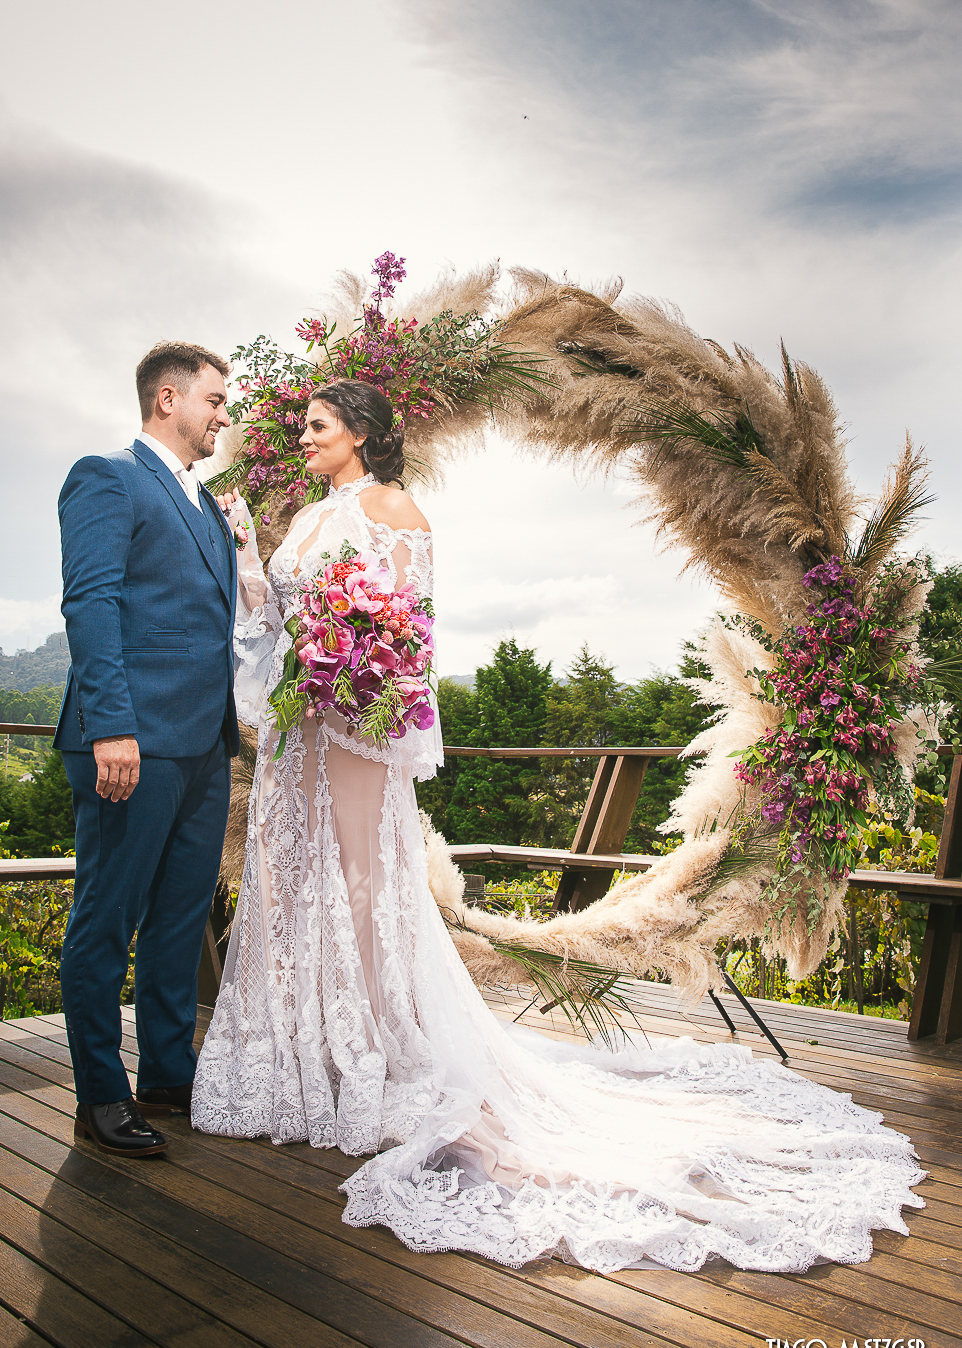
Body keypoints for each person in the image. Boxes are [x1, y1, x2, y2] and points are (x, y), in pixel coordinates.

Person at [193, 380, 923, 1275]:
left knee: (361, 885)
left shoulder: (399, 512)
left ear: (362, 434)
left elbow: (410, 635)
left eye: (316, 426)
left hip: (352, 723)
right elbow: (270, 620)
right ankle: (302, 1056)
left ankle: (373, 1052)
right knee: (296, 882)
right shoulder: (305, 518)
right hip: (293, 735)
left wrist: (355, 676)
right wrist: (242, 556)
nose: (301, 438)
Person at [56, 342, 240, 1158]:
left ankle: (169, 1075)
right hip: (131, 741)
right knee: (105, 922)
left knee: (175, 924)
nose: (224, 414)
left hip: (205, 744)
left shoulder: (206, 506)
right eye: (214, 398)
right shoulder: (106, 476)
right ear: (167, 399)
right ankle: (99, 1094)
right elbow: (90, 603)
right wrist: (111, 727)